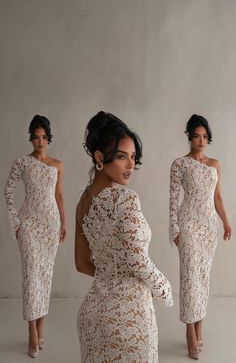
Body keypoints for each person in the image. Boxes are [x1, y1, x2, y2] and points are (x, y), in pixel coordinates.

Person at [75, 111, 173, 363]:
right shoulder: (126, 199)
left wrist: (111, 274)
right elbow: (136, 260)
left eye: (133, 157)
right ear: (99, 157)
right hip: (130, 319)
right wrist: (164, 288)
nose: (130, 165)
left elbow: (81, 263)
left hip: (93, 315)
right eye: (121, 157)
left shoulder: (83, 203)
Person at [169, 114, 232, 360]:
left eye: (205, 136)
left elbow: (217, 197)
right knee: (189, 277)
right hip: (188, 224)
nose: (201, 140)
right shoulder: (179, 164)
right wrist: (174, 228)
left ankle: (199, 327)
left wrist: (226, 221)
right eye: (197, 136)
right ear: (189, 136)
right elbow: (173, 199)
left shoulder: (215, 164)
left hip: (208, 227)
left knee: (203, 278)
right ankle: (189, 332)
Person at [4, 115, 67, 358]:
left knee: (44, 275)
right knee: (31, 276)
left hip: (50, 225)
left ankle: (41, 327)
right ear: (30, 138)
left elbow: (59, 196)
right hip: (29, 224)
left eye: (43, 137)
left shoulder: (57, 165)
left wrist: (63, 222)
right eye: (35, 137)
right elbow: (7, 190)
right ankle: (31, 330)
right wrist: (16, 223)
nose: (39, 141)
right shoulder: (22, 163)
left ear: (48, 138)